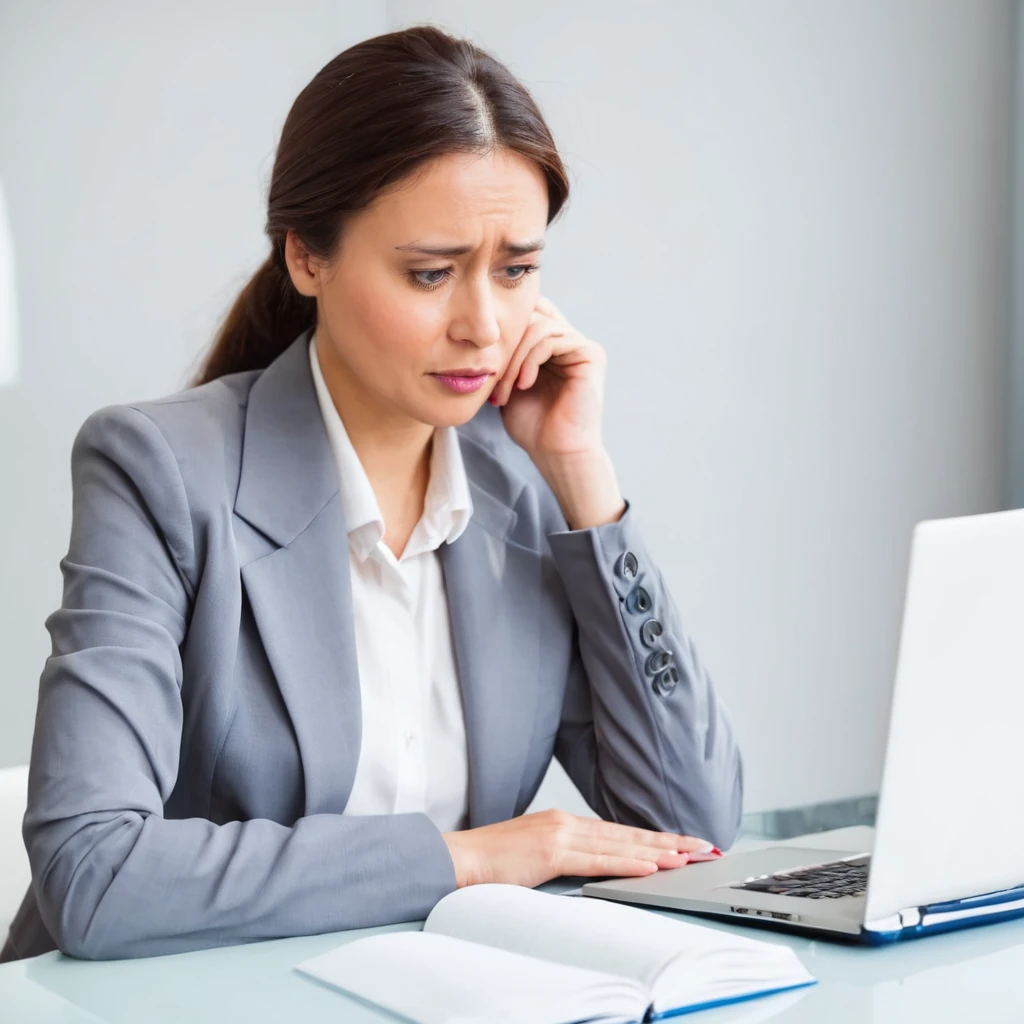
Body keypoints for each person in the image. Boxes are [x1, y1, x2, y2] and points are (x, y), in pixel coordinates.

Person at [1, 24, 742, 963]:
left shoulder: (526, 486)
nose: (482, 323)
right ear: (307, 257)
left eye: (517, 269)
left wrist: (583, 479)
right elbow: (95, 877)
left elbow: (690, 824)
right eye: (430, 273)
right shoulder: (157, 469)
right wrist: (462, 860)